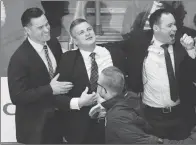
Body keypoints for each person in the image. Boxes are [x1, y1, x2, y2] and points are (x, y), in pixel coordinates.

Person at [122, 8, 196, 140]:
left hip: (180, 114)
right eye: (169, 25)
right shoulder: (139, 43)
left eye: (175, 24)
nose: (175, 28)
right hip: (151, 116)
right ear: (156, 28)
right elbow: (119, 49)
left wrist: (190, 49)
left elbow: (195, 74)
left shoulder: (182, 44)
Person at [7, 7, 73, 144]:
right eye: (40, 27)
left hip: (57, 122)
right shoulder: (19, 59)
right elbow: (17, 96)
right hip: (35, 130)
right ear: (27, 30)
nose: (46, 29)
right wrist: (50, 89)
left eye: (47, 24)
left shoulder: (53, 43)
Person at [54, 18, 125, 143]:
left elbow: (125, 88)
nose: (87, 33)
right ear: (75, 41)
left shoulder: (113, 53)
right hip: (81, 129)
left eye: (89, 29)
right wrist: (79, 102)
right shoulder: (67, 59)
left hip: (114, 125)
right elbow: (57, 98)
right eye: (81, 33)